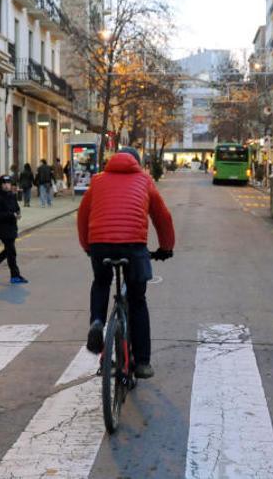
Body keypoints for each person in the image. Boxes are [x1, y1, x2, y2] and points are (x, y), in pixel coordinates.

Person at [77, 147, 175, 379]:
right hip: (134, 247)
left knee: (101, 282)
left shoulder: (98, 180)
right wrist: (166, 248)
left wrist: (88, 247)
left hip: (100, 244)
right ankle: (142, 363)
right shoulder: (144, 180)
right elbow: (163, 217)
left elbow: (83, 215)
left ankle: (98, 322)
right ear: (138, 162)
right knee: (137, 301)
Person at [0, 175, 26, 284]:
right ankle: (15, 276)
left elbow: (16, 208)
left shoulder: (11, 196)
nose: (7, 185)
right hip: (2, 228)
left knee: (8, 251)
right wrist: (11, 215)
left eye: (8, 183)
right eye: (4, 183)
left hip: (11, 227)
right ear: (1, 185)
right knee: (11, 252)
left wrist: (18, 213)